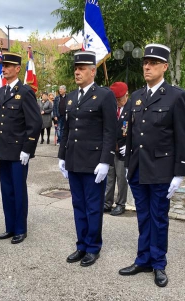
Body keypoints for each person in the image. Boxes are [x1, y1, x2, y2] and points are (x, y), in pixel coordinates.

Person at [119, 44, 185, 287]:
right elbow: (131, 133)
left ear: (165, 67)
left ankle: (159, 263)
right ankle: (143, 259)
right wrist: (128, 163)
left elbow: (183, 136)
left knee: (158, 217)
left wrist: (179, 173)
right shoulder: (138, 97)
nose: (147, 67)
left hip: (162, 169)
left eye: (153, 63)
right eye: (145, 63)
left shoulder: (176, 96)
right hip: (138, 167)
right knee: (143, 216)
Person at [58, 50, 117, 267]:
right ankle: (81, 244)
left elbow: (111, 130)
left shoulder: (104, 95)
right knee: (78, 205)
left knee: (93, 207)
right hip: (74, 160)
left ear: (93, 71)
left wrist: (105, 161)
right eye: (76, 68)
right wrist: (61, 156)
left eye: (82, 68)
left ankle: (93, 247)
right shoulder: (72, 97)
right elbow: (67, 129)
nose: (77, 72)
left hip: (93, 163)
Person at [0, 52, 42, 244]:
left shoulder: (25, 92)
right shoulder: (1, 92)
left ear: (17, 69)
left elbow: (35, 123)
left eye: (7, 66)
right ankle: (10, 227)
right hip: (4, 150)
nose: (4, 69)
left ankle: (21, 229)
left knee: (18, 190)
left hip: (18, 151)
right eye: (3, 65)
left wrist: (27, 149)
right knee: (6, 190)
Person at [104, 81, 130, 216]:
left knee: (121, 178)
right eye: (116, 100)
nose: (118, 102)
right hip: (111, 148)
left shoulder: (131, 108)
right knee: (109, 177)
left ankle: (121, 203)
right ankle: (107, 202)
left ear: (126, 95)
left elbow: (135, 130)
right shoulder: (112, 109)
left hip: (123, 149)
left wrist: (129, 144)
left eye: (119, 99)